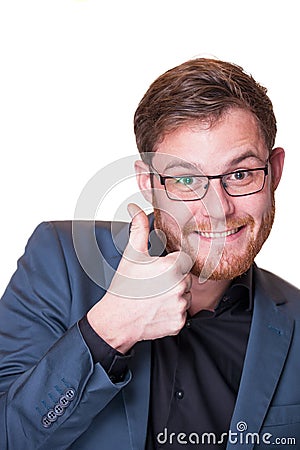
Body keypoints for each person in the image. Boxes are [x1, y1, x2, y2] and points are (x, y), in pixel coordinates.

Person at [0, 58, 299, 450]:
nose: (219, 208)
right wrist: (108, 331)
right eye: (186, 179)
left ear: (274, 172)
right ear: (147, 182)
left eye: (240, 174)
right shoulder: (58, 261)